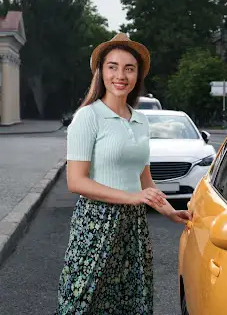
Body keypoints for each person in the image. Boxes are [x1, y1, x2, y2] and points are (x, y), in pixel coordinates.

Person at [55, 33, 191, 314]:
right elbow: (76, 181)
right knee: (82, 301)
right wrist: (130, 197)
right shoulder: (88, 117)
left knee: (130, 302)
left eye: (129, 68)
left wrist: (169, 211)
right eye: (113, 67)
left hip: (133, 226)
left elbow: (145, 180)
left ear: (138, 75)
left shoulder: (141, 120)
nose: (121, 75)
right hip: (95, 223)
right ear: (101, 72)